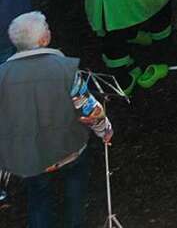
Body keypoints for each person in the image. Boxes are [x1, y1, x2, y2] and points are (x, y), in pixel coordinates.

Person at [0, 12, 112, 228]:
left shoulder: (2, 75)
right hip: (69, 149)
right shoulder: (64, 69)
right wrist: (105, 130)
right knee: (75, 196)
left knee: (38, 199)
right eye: (47, 28)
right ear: (43, 40)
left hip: (30, 156)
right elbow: (89, 109)